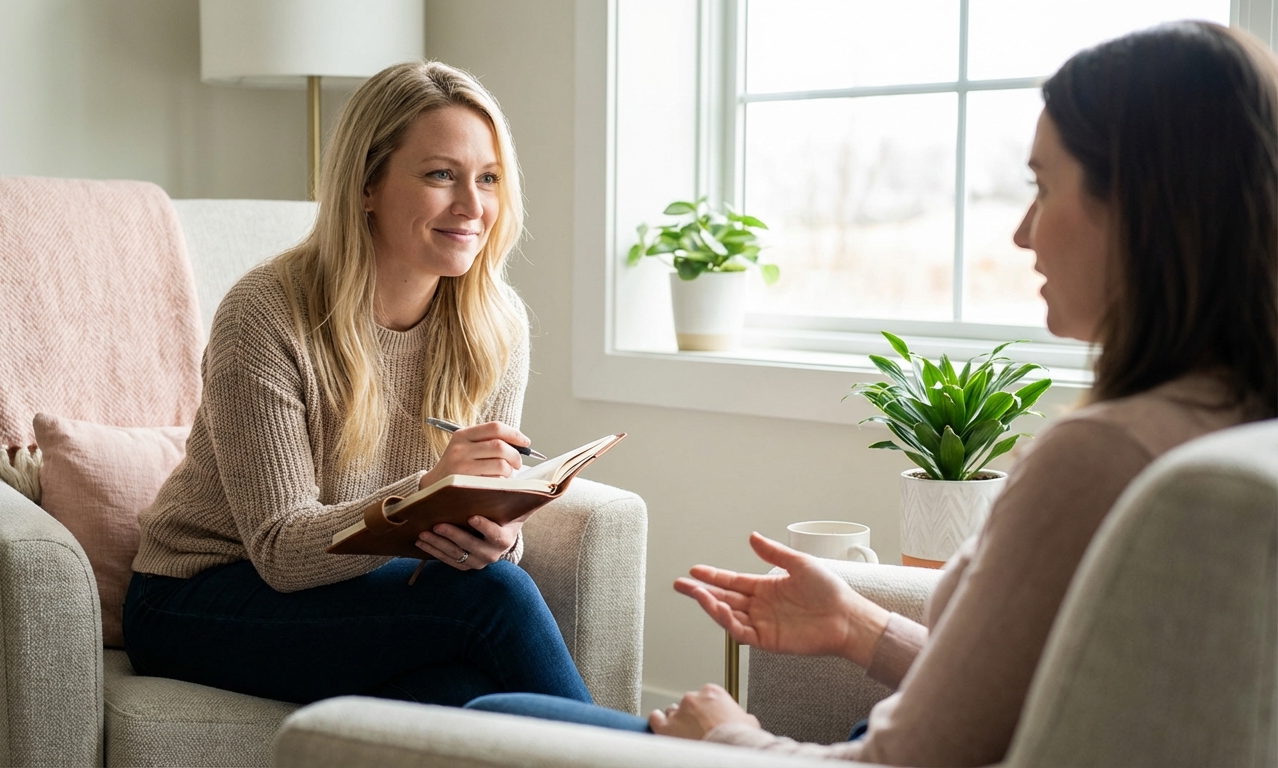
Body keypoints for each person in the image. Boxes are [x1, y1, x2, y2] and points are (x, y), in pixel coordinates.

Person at [466, 20, 1278, 764]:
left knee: (496, 717)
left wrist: (732, 736)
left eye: (1043, 186)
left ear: (1139, 208)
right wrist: (861, 626)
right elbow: (1051, 691)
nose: (1023, 231)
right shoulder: (1232, 420)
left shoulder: (1101, 455)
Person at [122, 61, 594, 708]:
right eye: (440, 175)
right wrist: (427, 491)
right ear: (367, 185)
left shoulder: (497, 324)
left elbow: (483, 523)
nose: (472, 206)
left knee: (465, 693)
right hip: (200, 595)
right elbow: (282, 551)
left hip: (351, 590)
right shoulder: (267, 312)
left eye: (488, 179)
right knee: (492, 600)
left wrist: (503, 536)